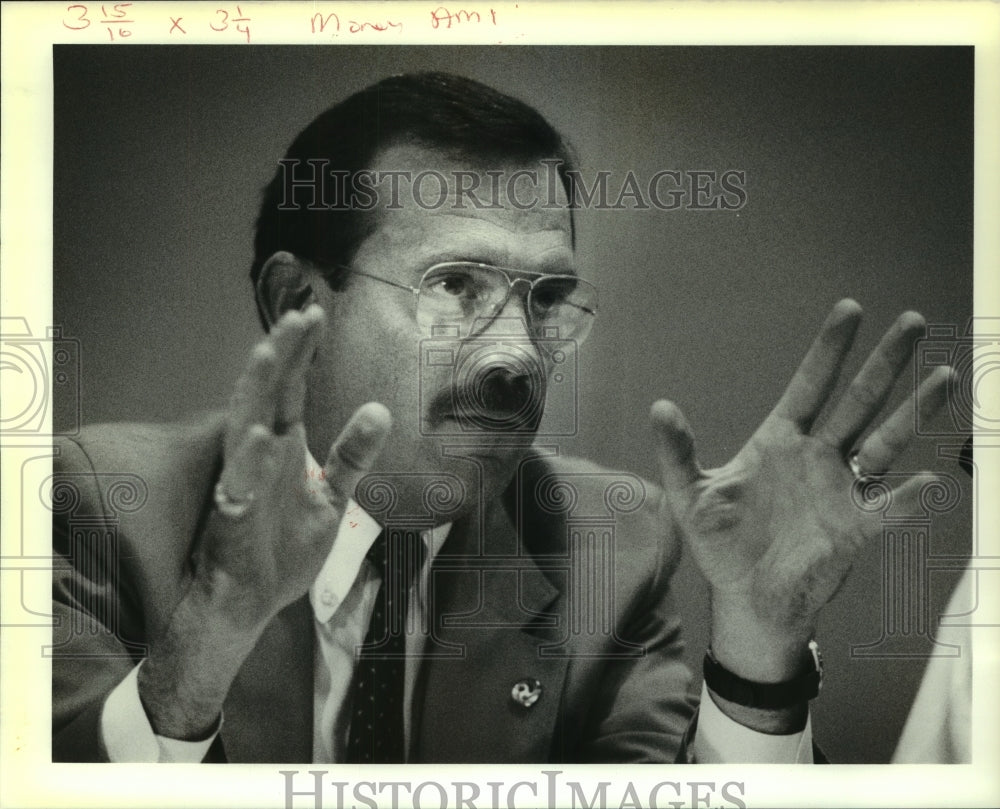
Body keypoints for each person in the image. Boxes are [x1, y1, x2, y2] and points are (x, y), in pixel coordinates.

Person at [51, 71, 954, 764]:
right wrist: (213, 628)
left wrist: (758, 646)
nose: (517, 354)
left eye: (549, 296)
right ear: (299, 303)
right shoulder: (99, 506)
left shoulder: (613, 543)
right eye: (455, 286)